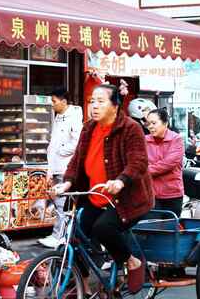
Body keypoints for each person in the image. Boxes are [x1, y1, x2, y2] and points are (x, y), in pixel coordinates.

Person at [53, 84, 154, 294]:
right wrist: (67, 182)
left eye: (100, 101)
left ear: (115, 106)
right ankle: (83, 281)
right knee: (76, 231)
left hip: (125, 199)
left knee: (104, 228)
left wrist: (121, 180)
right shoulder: (89, 127)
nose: (94, 106)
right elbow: (77, 160)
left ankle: (132, 261)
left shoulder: (130, 128)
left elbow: (138, 161)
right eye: (92, 101)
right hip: (95, 196)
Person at [39, 89, 83, 248]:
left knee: (62, 204)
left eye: (54, 101)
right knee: (59, 203)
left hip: (65, 167)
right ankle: (58, 235)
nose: (52, 105)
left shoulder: (75, 116)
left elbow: (77, 141)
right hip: (57, 165)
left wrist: (61, 151)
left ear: (64, 101)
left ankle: (60, 236)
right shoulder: (58, 117)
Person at [145, 109, 185, 218]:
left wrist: (143, 171)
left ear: (165, 123)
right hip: (151, 194)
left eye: (154, 123)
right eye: (148, 124)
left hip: (172, 194)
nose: (150, 127)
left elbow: (167, 164)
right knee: (150, 229)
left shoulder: (176, 139)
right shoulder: (144, 140)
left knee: (170, 229)